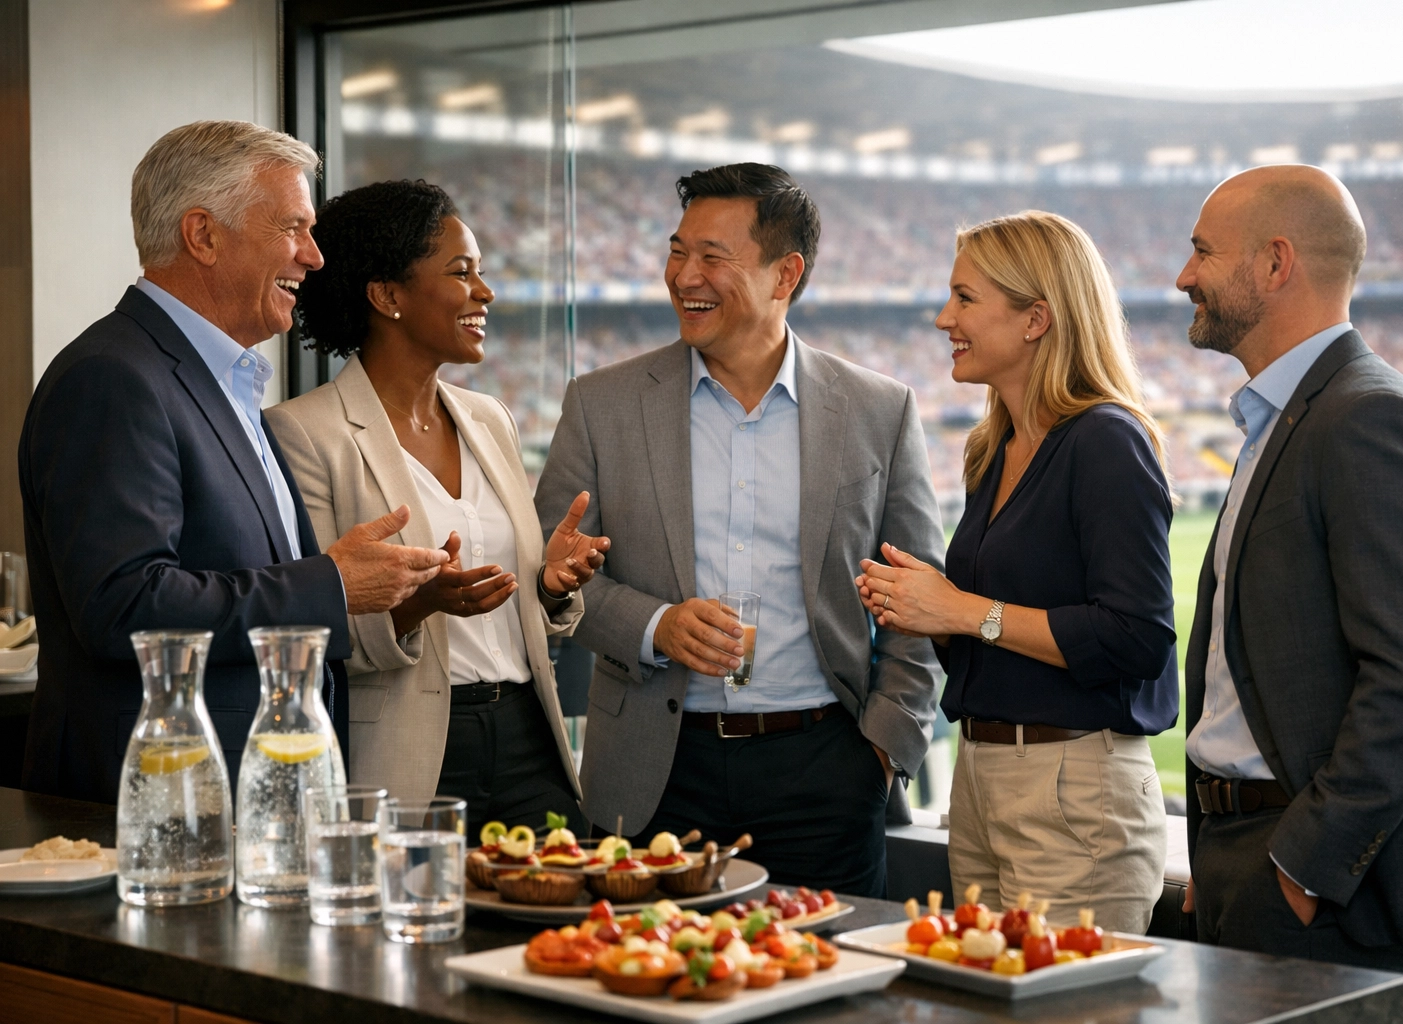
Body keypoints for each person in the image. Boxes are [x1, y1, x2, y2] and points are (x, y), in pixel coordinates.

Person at [534, 163, 944, 896]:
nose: (682, 275)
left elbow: (922, 602)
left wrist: (882, 749)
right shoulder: (602, 404)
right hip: (654, 776)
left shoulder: (881, 411)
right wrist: (655, 624)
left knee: (826, 998)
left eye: (712, 257)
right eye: (677, 250)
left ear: (785, 274)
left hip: (827, 774)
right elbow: (558, 580)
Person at [19, 121, 450, 803]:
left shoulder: (225, 378)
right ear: (203, 235)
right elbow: (124, 605)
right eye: (293, 228)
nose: (314, 256)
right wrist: (329, 586)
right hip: (161, 803)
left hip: (241, 794)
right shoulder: (112, 377)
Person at [1176, 164, 1403, 982]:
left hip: (1322, 887)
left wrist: (1302, 866)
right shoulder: (1280, 415)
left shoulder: (1369, 416)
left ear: (1274, 263)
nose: (1183, 276)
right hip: (1245, 856)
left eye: (1200, 252)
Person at [854, 211, 1177, 934]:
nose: (945, 318)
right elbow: (990, 634)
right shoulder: (990, 449)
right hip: (982, 776)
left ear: (1036, 318)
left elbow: (1138, 638)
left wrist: (964, 611)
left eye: (965, 298)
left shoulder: (1105, 441)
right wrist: (917, 607)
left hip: (1075, 788)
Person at [268, 180, 610, 837]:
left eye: (481, 272)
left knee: (554, 930)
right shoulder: (304, 435)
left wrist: (551, 585)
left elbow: (530, 618)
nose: (484, 292)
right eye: (462, 273)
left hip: (528, 738)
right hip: (412, 754)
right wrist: (420, 603)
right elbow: (311, 628)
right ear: (387, 296)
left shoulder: (491, 419)